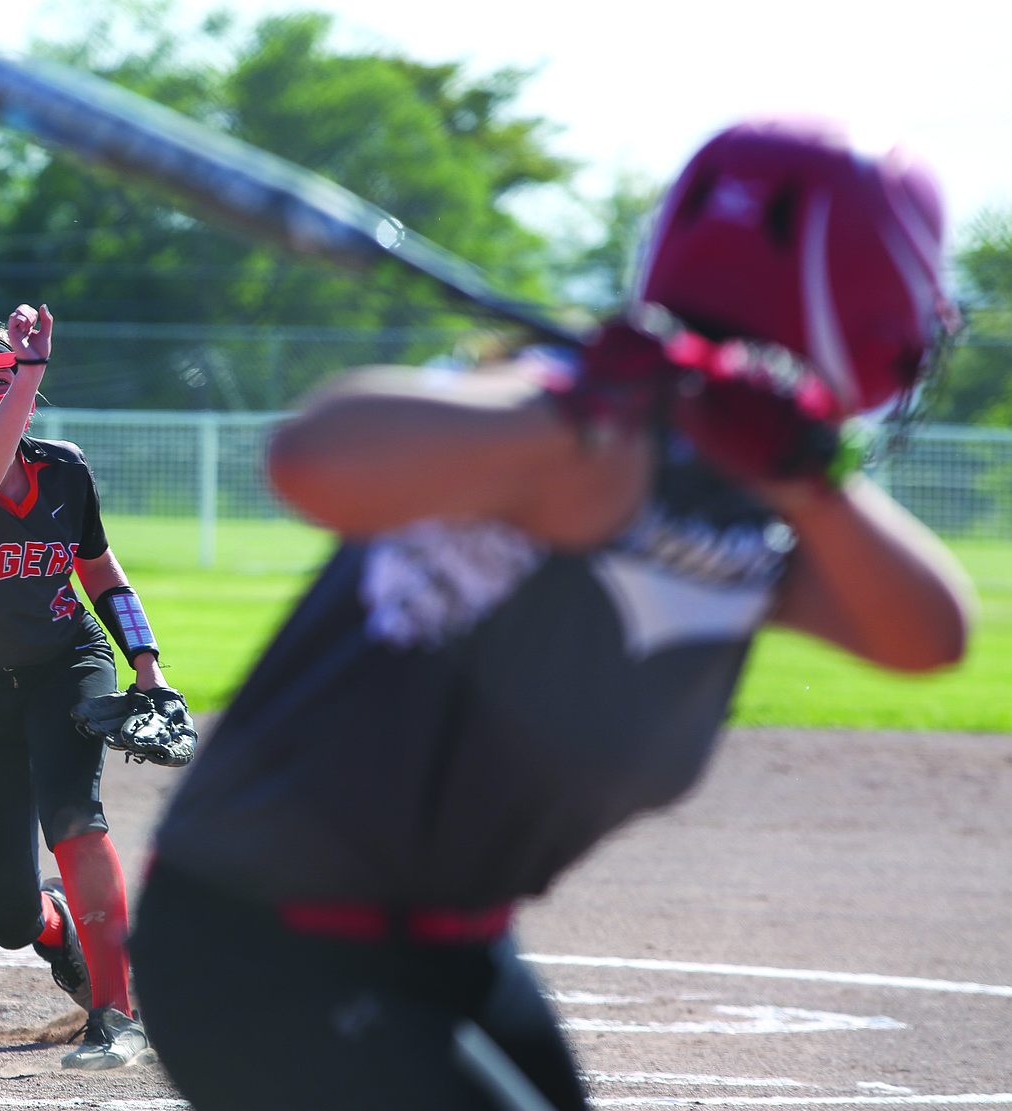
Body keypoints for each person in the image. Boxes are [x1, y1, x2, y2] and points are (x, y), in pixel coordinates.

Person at [128, 120, 974, 1110]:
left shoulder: (761, 492)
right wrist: (576, 412)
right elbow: (310, 457)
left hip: (454, 939)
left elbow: (927, 635)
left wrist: (806, 471)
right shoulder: (570, 429)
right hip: (258, 944)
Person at [0, 304, 186, 1070]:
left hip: (66, 659)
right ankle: (59, 928)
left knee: (74, 816)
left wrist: (148, 665)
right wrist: (29, 372)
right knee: (8, 915)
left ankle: (116, 1016)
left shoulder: (65, 468)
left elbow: (100, 573)